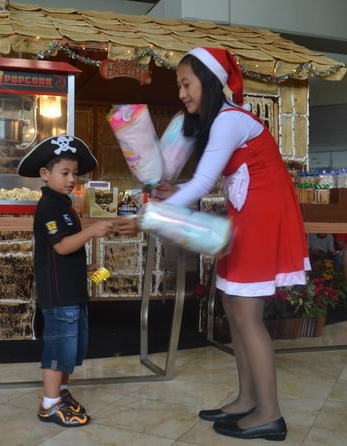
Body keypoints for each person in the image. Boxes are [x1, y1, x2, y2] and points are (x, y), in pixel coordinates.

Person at [115, 47, 310, 441]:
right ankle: (246, 399)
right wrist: (172, 191)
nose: (183, 94)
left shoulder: (229, 120)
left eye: (186, 84)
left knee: (246, 314)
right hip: (247, 216)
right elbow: (206, 181)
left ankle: (270, 413)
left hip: (261, 218)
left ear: (208, 81)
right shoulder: (221, 122)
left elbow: (205, 184)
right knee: (234, 307)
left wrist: (151, 214)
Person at [17, 135, 114, 427]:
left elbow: (63, 250)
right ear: (45, 175)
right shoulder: (48, 206)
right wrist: (92, 231)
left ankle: (60, 393)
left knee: (72, 347)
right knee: (59, 349)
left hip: (72, 290)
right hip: (59, 297)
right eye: (65, 173)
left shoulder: (64, 205)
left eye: (75, 173)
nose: (72, 178)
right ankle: (49, 405)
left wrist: (83, 268)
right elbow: (60, 246)